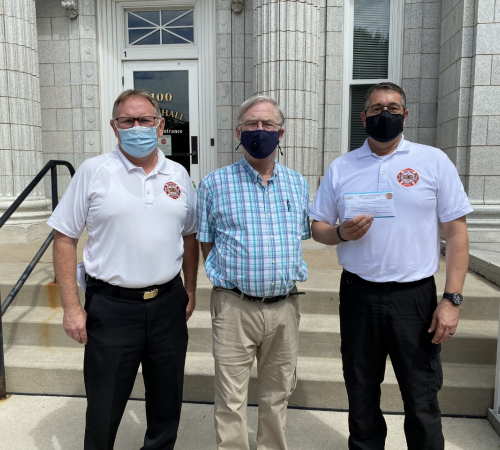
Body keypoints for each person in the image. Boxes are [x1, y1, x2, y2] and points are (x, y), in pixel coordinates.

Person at [309, 82, 472, 450]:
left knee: (421, 396)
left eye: (394, 108)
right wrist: (340, 233)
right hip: (359, 295)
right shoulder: (342, 167)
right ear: (363, 117)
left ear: (405, 115)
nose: (386, 114)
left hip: (414, 299)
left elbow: (457, 234)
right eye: (378, 108)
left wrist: (452, 299)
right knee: (361, 392)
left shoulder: (433, 161)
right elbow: (318, 228)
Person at [48, 89, 198, 450]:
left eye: (145, 120)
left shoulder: (178, 174)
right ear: (114, 128)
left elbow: (190, 236)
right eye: (127, 121)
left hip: (167, 304)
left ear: (160, 126)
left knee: (167, 403)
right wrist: (71, 307)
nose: (137, 127)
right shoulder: (93, 171)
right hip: (112, 309)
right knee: (104, 406)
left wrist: (190, 290)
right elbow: (64, 238)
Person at [197, 95, 311, 450]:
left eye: (268, 125)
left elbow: (301, 237)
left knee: (278, 393)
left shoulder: (298, 183)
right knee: (231, 398)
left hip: (284, 307)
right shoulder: (214, 184)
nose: (259, 130)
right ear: (238, 131)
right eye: (251, 124)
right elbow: (206, 242)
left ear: (281, 134)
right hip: (234, 306)